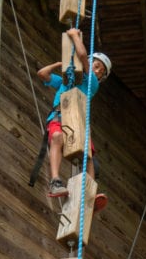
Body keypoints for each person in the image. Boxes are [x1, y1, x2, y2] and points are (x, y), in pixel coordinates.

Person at [36, 27, 111, 211]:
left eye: (100, 69)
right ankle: (55, 181)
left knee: (88, 157)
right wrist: (57, 64)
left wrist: (74, 36)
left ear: (100, 77)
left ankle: (89, 194)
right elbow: (42, 74)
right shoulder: (65, 81)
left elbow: (83, 55)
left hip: (77, 121)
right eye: (96, 64)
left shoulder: (92, 84)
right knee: (56, 138)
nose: (96, 68)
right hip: (59, 116)